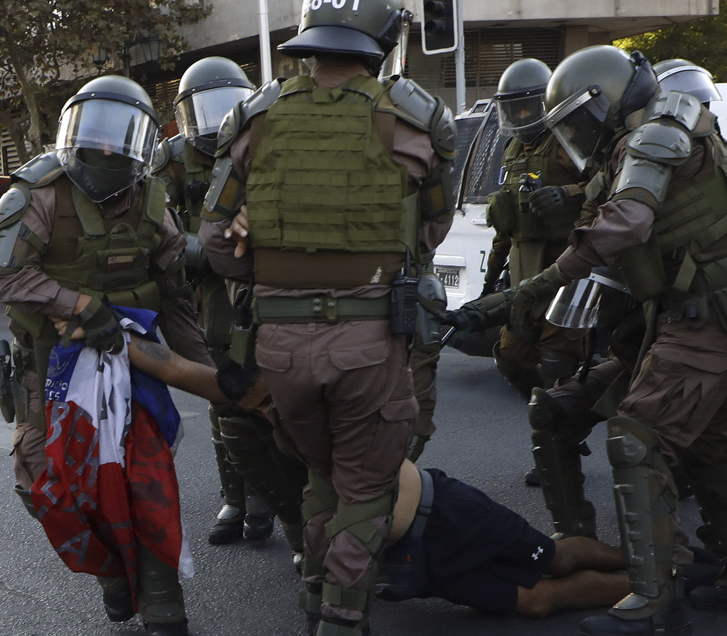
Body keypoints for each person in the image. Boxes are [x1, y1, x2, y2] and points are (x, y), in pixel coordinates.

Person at [500, 46, 727, 635]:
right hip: (714, 306)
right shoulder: (674, 128)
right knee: (705, 446)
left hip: (710, 310)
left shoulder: (653, 134)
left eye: (579, 120)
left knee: (639, 438)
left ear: (603, 100)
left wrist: (539, 285)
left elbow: (625, 222)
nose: (578, 135)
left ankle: (657, 602)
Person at [199, 1, 456, 632]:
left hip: (280, 345)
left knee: (320, 472)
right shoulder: (413, 119)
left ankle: (316, 591)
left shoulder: (254, 118)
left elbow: (213, 243)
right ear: (382, 42)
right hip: (368, 339)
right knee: (365, 486)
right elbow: (431, 230)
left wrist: (262, 253)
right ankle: (341, 616)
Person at [92, 331, 635, 620]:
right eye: (259, 406)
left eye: (271, 398)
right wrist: (102, 324)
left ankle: (654, 576)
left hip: (445, 511)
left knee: (556, 558)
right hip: (405, 549)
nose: (271, 410)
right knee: (536, 601)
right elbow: (171, 366)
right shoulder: (260, 398)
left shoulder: (334, 392)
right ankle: (649, 579)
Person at [0, 75, 206, 636]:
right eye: (97, 134)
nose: (107, 148)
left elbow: (174, 291)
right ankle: (111, 574)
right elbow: (6, 277)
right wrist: (83, 306)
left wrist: (208, 372)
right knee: (40, 481)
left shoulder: (152, 201)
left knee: (144, 481)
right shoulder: (37, 194)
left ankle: (163, 605)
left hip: (132, 367)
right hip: (51, 367)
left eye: (120, 136)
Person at [153, 56, 300, 549]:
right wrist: (209, 251)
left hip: (262, 278)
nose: (215, 121)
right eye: (204, 109)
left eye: (225, 106)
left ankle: (264, 497)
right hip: (209, 289)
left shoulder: (258, 139)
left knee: (267, 390)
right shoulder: (172, 159)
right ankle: (235, 496)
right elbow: (160, 230)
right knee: (225, 391)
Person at [481, 57, 590, 487]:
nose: (521, 116)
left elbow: (609, 184)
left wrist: (568, 193)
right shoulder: (513, 151)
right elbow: (506, 223)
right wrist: (492, 276)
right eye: (513, 108)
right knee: (512, 355)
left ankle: (559, 451)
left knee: (557, 362)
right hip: (525, 271)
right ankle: (563, 416)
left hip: (567, 266)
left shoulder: (569, 140)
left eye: (527, 107)